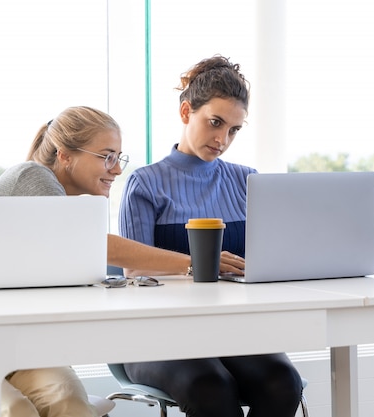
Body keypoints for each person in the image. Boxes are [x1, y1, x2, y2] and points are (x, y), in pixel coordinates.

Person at [0, 105, 244, 417]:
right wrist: (195, 262)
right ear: (64, 155)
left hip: (25, 355)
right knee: (13, 410)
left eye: (119, 158)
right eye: (107, 157)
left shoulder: (68, 211)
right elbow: (97, 245)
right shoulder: (33, 177)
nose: (117, 169)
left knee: (70, 403)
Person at [118, 56, 303, 417]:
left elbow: (267, 261)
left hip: (233, 331)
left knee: (283, 382)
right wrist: (199, 266)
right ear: (186, 112)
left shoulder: (247, 180)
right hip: (157, 335)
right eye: (215, 123)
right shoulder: (146, 184)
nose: (222, 139)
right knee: (210, 388)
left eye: (234, 129)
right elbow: (134, 275)